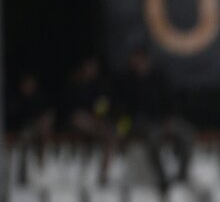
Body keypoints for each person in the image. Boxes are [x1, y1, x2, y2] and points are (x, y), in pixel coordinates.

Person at [115, 46, 193, 192]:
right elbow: (124, 111)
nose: (137, 64)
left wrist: (169, 119)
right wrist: (123, 130)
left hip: (165, 119)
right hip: (145, 123)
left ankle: (182, 175)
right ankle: (162, 179)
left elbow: (170, 101)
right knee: (153, 140)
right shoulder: (127, 81)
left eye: (140, 61)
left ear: (147, 61)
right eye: (135, 62)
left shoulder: (159, 77)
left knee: (187, 133)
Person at [63, 57, 116, 185]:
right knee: (80, 118)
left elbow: (103, 104)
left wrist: (98, 116)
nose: (91, 71)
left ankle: (104, 175)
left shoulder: (99, 85)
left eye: (93, 68)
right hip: (76, 122)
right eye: (88, 67)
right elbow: (70, 110)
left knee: (110, 135)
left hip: (95, 123)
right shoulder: (75, 84)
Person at [9, 73, 55, 186]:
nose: (29, 86)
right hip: (21, 131)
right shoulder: (16, 98)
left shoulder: (38, 99)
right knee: (25, 142)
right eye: (26, 84)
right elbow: (14, 119)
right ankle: (23, 175)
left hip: (36, 132)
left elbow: (45, 114)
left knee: (43, 131)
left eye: (31, 84)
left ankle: (41, 165)